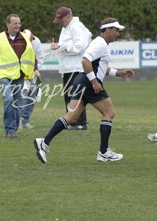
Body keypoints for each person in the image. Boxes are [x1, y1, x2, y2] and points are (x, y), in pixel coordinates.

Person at [34, 17, 134, 163]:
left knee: (71, 117)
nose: (118, 33)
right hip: (88, 83)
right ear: (107, 29)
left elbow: (98, 66)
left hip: (81, 80)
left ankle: (44, 142)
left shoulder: (100, 43)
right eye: (116, 30)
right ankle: (104, 152)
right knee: (109, 113)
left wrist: (119, 73)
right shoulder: (100, 44)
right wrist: (94, 81)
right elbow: (85, 60)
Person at [0, 14, 36, 138]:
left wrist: (35, 69)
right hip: (4, 75)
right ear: (8, 24)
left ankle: (13, 129)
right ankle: (10, 130)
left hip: (20, 74)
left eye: (19, 23)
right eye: (15, 23)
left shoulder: (25, 38)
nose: (18, 26)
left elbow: (31, 55)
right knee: (8, 99)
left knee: (18, 103)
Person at [52, 7, 92, 130]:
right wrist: (58, 47)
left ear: (68, 17)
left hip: (76, 67)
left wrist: (61, 46)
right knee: (69, 96)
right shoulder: (66, 28)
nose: (60, 23)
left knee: (75, 96)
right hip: (68, 68)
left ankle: (79, 123)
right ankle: (71, 121)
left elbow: (80, 47)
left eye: (61, 20)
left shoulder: (76, 27)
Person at [20, 29, 45, 129]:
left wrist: (36, 69)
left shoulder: (36, 42)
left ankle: (25, 120)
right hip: (19, 74)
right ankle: (17, 120)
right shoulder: (16, 43)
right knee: (19, 96)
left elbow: (40, 58)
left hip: (33, 74)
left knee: (31, 97)